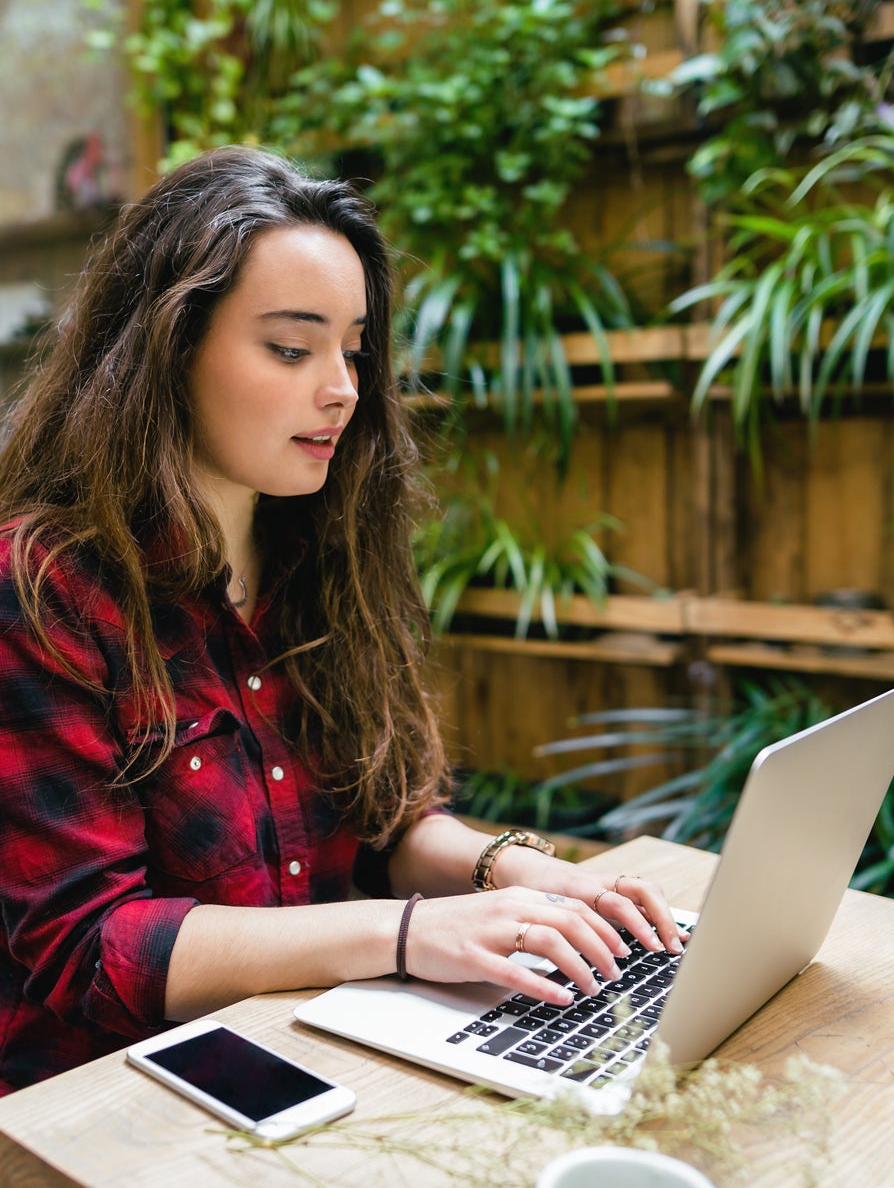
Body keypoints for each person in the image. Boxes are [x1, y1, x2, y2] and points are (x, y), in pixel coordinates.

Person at [0, 146, 685, 1095]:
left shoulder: (322, 549)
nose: (343, 389)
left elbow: (384, 819)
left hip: (318, 1050)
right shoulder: (46, 585)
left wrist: (513, 872)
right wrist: (409, 934)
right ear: (166, 347)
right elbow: (90, 945)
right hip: (104, 1099)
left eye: (354, 350)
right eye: (291, 348)